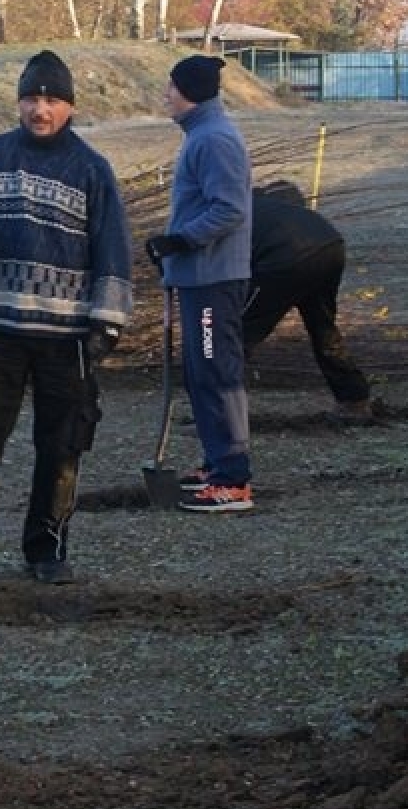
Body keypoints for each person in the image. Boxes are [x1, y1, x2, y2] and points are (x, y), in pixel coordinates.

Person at [0, 49, 134, 584]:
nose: (40, 110)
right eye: (31, 98)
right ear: (18, 102)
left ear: (70, 106)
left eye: (52, 100)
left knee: (61, 445)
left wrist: (107, 322)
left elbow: (113, 250)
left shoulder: (91, 169)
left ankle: (47, 549)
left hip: (67, 336)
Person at [149, 53, 255, 513]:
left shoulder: (214, 139)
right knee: (200, 374)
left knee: (216, 373)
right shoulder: (201, 135)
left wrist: (182, 240)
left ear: (189, 92)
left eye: (172, 87)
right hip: (197, 277)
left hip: (214, 277)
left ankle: (233, 480)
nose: (166, 95)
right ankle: (217, 463)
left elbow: (230, 208)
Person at [245, 179, 374, 419]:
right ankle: (354, 400)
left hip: (285, 256)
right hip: (330, 244)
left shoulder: (236, 210)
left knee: (236, 335)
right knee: (323, 327)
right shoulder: (276, 208)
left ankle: (222, 413)